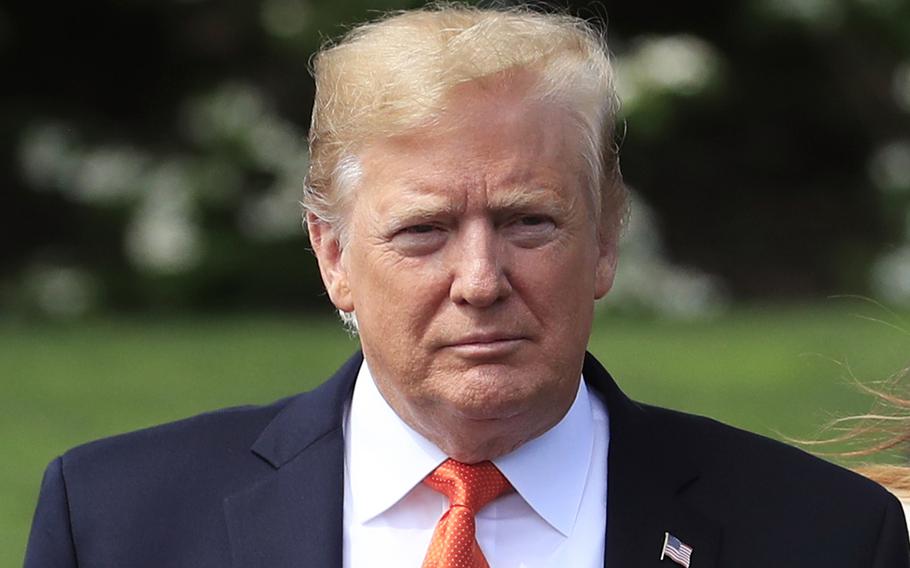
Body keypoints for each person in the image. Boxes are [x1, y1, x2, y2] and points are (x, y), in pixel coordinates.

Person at [25, 5, 909, 567]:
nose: (480, 281)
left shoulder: (823, 536)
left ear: (606, 239)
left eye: (530, 222)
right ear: (333, 257)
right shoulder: (115, 522)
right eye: (424, 232)